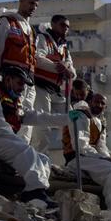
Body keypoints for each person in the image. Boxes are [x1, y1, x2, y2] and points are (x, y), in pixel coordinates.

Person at [0, 65, 69, 206]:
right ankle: (33, 194)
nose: (22, 88)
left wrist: (68, 118)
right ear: (8, 80)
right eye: (20, 83)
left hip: (1, 140)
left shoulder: (14, 102)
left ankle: (40, 192)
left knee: (43, 159)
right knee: (26, 150)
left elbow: (39, 118)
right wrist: (20, 143)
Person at [62, 89, 111, 217]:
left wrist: (106, 158)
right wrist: (102, 159)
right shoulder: (80, 115)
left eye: (102, 103)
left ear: (105, 106)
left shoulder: (100, 123)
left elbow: (101, 147)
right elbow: (80, 145)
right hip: (77, 159)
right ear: (90, 102)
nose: (98, 105)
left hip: (94, 160)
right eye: (96, 102)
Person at [0, 0, 39, 141]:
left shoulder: (31, 29)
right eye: (30, 3)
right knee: (8, 109)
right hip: (9, 75)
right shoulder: (7, 21)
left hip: (27, 78)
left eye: (36, 5)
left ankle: (23, 143)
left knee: (25, 112)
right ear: (20, 1)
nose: (33, 7)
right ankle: (6, 141)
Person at [31, 14, 75, 154]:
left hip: (56, 90)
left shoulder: (64, 47)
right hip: (40, 86)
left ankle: (74, 152)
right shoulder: (43, 38)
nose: (65, 29)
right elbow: (37, 58)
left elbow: (72, 71)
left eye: (67, 27)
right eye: (63, 25)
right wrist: (58, 66)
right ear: (53, 24)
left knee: (73, 118)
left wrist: (67, 68)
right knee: (43, 125)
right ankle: (41, 156)